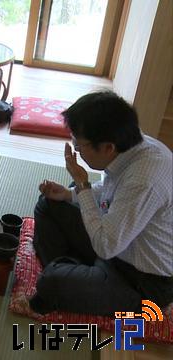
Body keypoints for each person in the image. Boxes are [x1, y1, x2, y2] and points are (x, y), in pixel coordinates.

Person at [28, 91, 173, 316]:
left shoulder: (144, 180)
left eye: (79, 144)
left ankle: (69, 275)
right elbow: (109, 190)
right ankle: (75, 274)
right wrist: (69, 194)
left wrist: (83, 185)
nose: (76, 149)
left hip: (141, 281)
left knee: (50, 283)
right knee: (48, 204)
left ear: (107, 147)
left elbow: (106, 246)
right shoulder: (132, 146)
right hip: (118, 247)